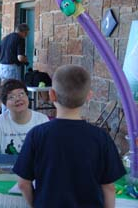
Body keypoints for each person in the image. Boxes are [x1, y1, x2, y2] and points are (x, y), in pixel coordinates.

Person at [13, 65, 126, 208]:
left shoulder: (36, 135)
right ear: (88, 96)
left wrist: (35, 204)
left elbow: (23, 183)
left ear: (51, 94)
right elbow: (109, 188)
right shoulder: (101, 138)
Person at [0, 79, 49, 154]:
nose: (18, 99)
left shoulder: (42, 121)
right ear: (5, 104)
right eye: (11, 97)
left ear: (27, 97)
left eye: (21, 94)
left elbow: (50, 151)